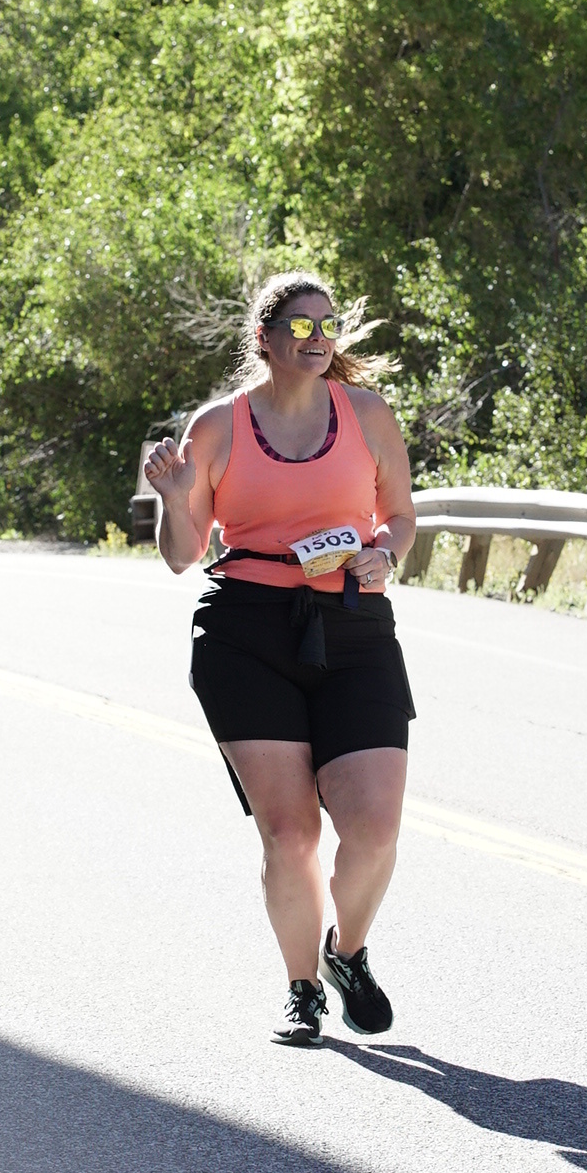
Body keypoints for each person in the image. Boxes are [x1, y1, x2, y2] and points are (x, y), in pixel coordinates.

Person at [143, 272, 417, 1047]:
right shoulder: (219, 427)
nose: (317, 338)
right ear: (264, 339)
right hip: (246, 634)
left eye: (328, 326)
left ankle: (346, 955)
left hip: (354, 628)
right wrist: (175, 497)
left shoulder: (367, 415)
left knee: (374, 831)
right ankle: (302, 990)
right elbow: (183, 555)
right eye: (300, 326)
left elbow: (400, 516)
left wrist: (385, 553)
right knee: (291, 835)